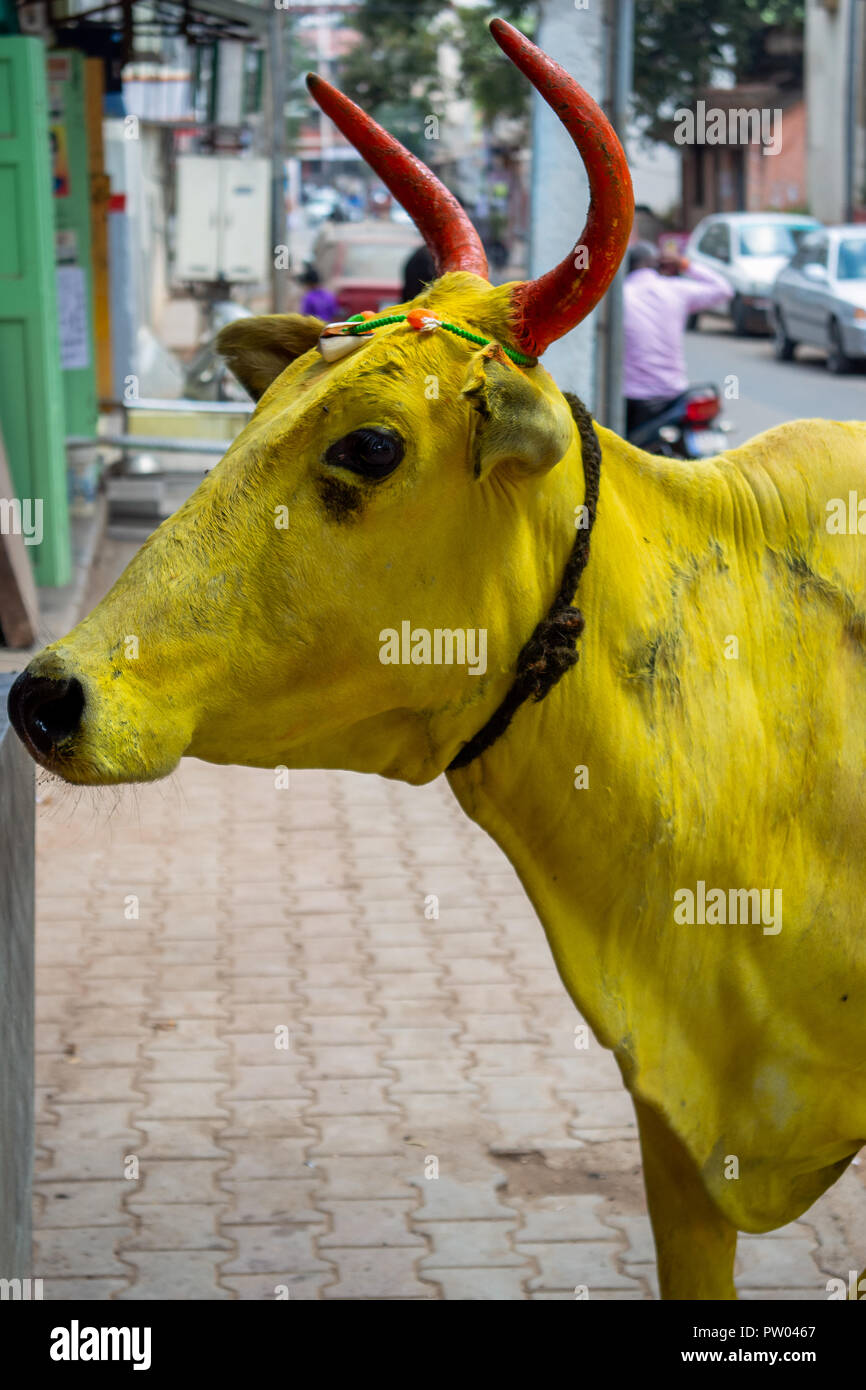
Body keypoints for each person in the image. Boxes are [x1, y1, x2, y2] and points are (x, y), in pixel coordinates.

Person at [623, 242, 731, 436]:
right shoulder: (676, 289)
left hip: (633, 399)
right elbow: (724, 289)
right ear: (659, 265)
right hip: (674, 393)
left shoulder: (621, 296)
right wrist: (684, 264)